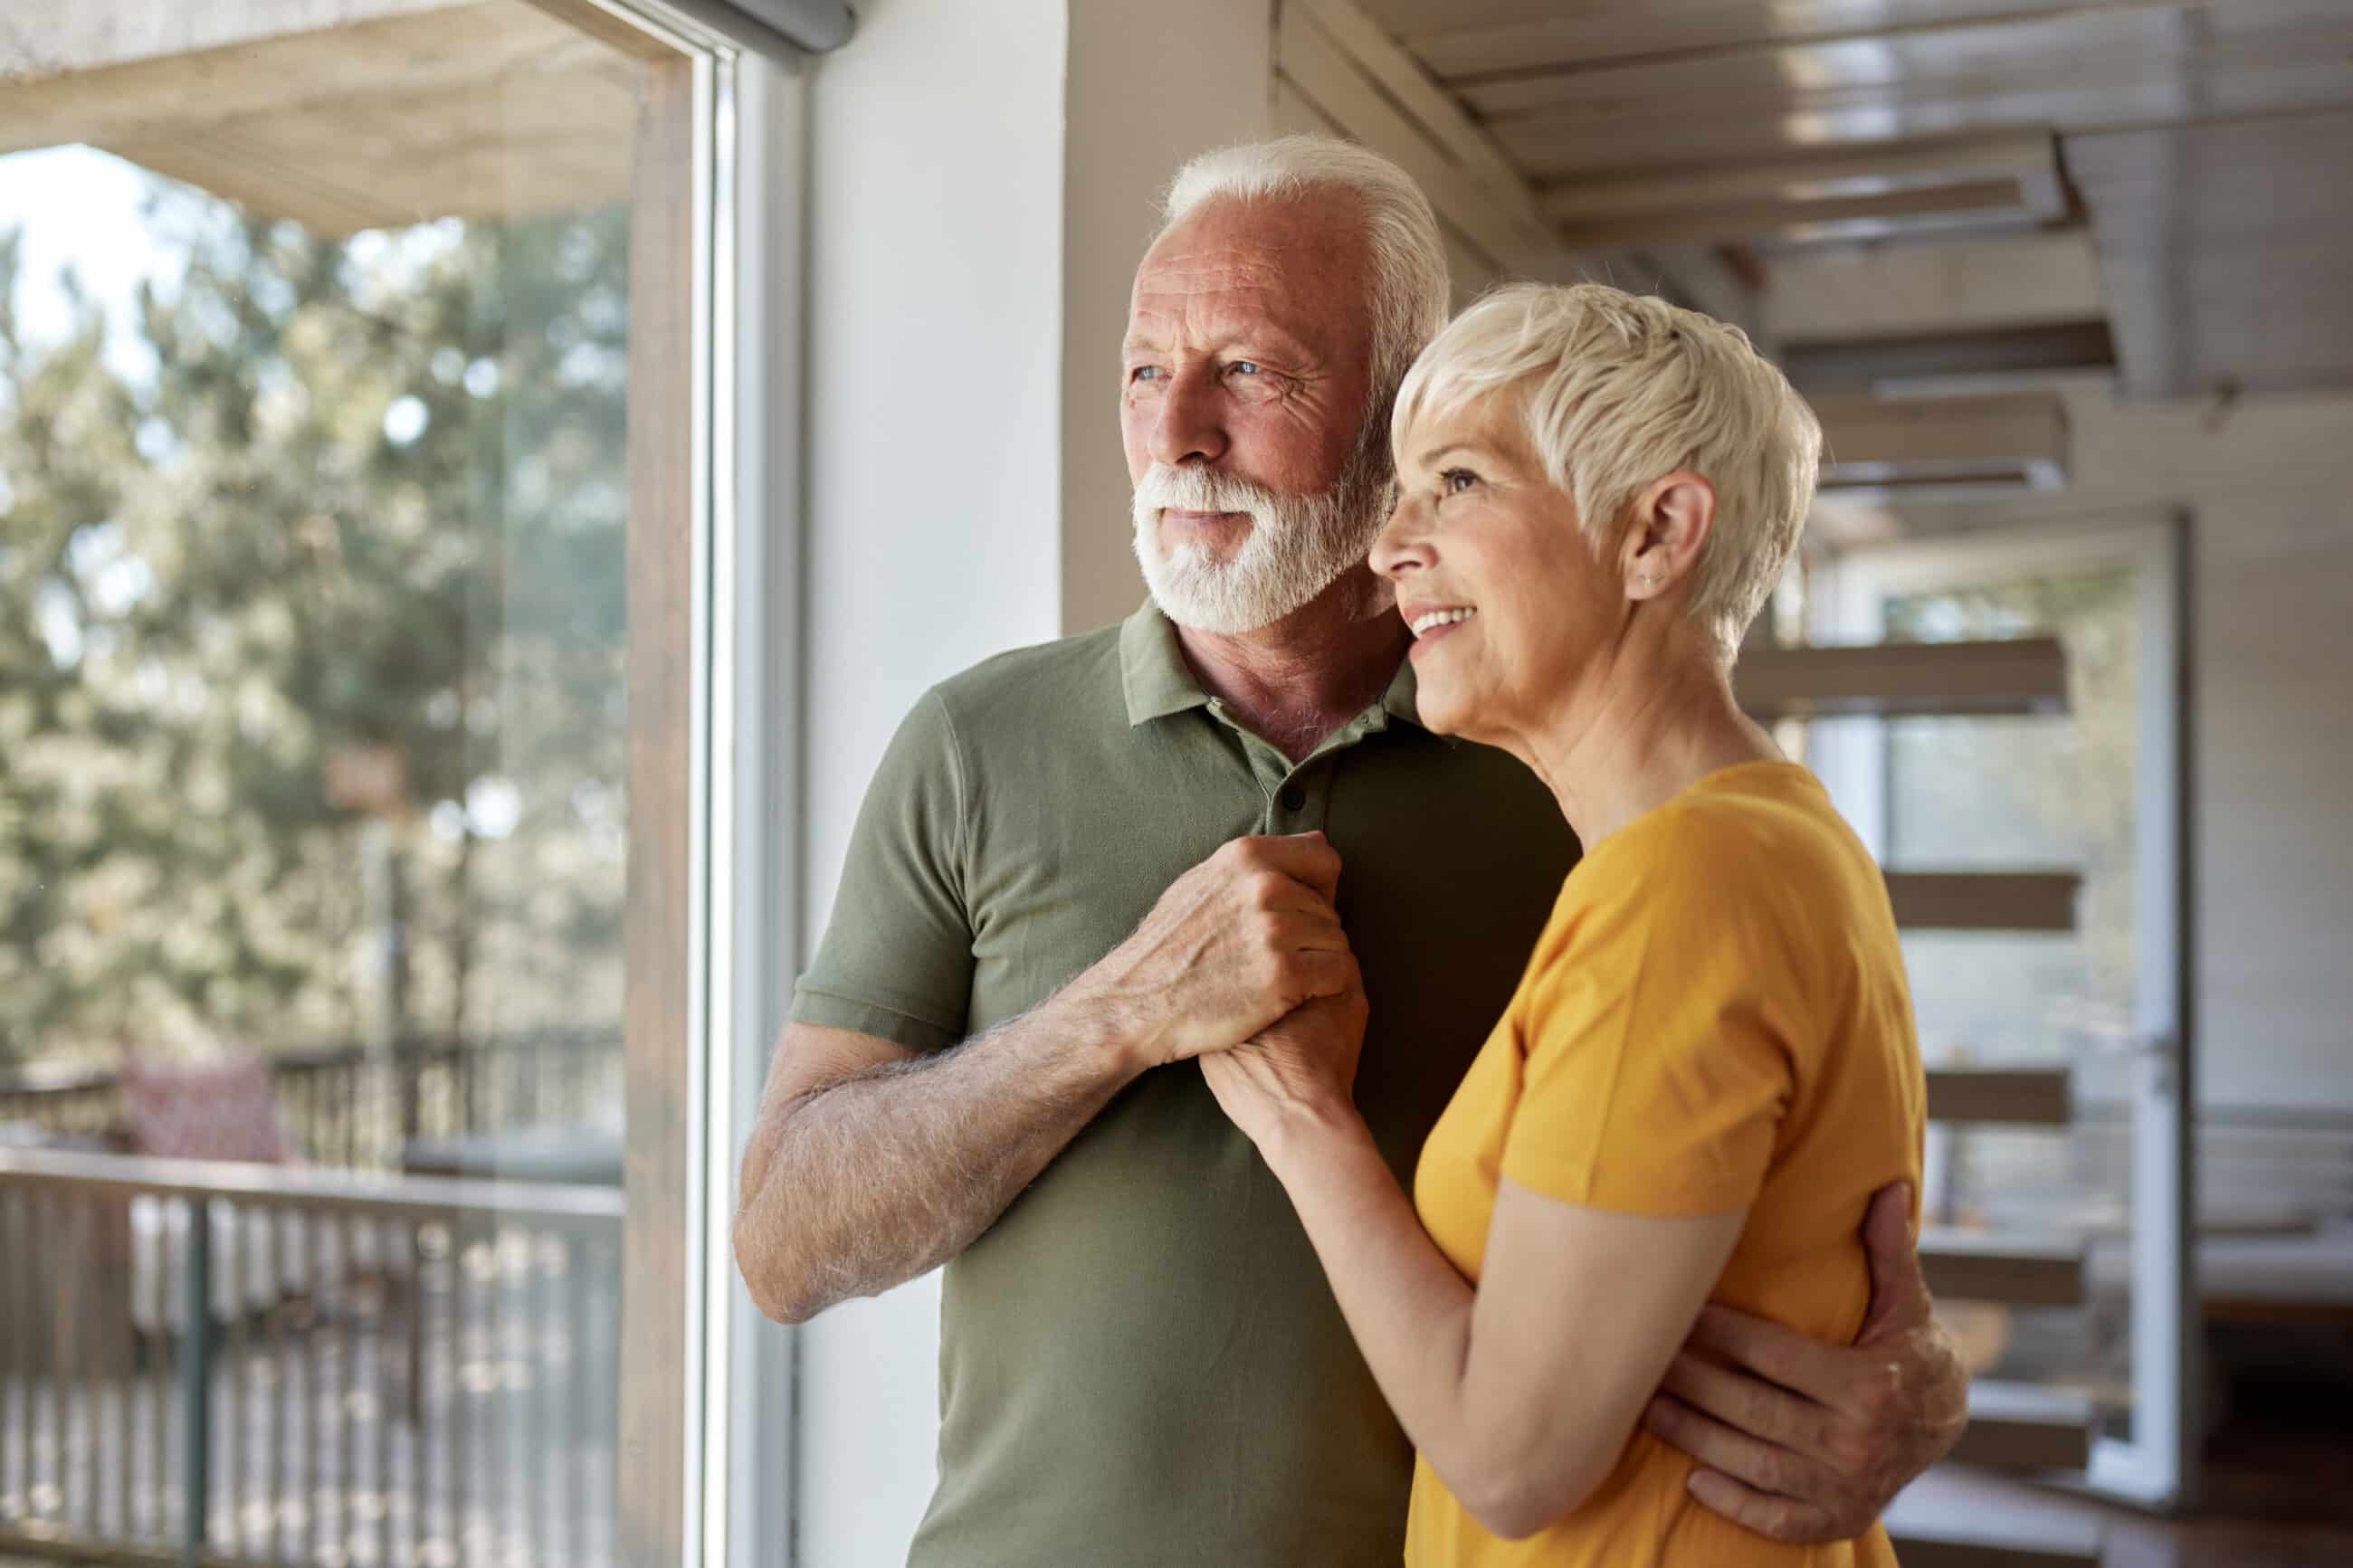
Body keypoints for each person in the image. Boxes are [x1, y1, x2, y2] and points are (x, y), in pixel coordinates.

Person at [733, 137, 1966, 1566]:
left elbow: (1772, 1172)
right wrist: (1119, 1013)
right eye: (1145, 371)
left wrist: (1905, 1377)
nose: (1178, 431)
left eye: (1250, 370)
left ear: (1401, 406)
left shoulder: (1577, 777)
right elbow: (782, 1243)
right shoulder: (974, 742)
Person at [1201, 280, 1924, 1566]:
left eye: (1460, 482)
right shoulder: (1772, 841)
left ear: (1656, 532)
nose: (1388, 547)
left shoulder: (1690, 887)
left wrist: (1299, 1116)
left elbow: (1513, 1455)